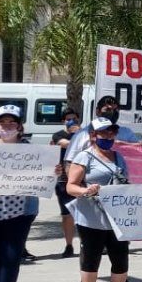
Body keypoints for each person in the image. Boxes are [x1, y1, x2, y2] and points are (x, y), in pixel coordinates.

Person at [66, 117, 140, 282]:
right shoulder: (84, 157)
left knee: (120, 259)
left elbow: (125, 184)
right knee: (91, 260)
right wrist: (85, 191)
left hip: (116, 219)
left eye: (111, 132)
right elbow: (70, 186)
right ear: (92, 135)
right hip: (91, 219)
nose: (108, 136)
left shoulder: (119, 158)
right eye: (103, 132)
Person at [0, 105, 40, 282]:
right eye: (3, 122)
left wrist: (53, 171)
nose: (7, 126)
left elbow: (45, 176)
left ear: (20, 126)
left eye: (12, 122)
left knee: (11, 257)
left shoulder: (31, 151)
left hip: (21, 212)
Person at [51, 109, 81, 258]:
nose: (71, 122)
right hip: (64, 180)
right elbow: (67, 144)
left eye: (74, 119)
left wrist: (80, 133)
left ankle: (88, 244)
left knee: (85, 213)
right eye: (68, 119)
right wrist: (77, 135)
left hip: (82, 179)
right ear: (63, 121)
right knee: (67, 215)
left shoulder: (84, 134)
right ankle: (69, 245)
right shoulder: (58, 135)